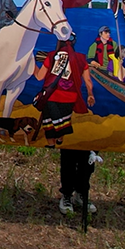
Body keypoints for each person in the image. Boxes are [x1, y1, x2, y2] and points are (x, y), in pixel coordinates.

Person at [31, 38, 92, 214]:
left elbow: (39, 76)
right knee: (62, 125)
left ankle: (51, 146)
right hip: (69, 99)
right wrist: (90, 94)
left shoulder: (52, 56)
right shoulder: (81, 59)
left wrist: (32, 63)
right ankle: (58, 143)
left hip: (51, 97)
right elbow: (87, 81)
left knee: (50, 124)